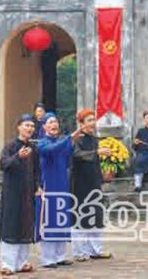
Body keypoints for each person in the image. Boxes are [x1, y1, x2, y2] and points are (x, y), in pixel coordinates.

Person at [37, 112, 83, 268]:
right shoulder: (42, 143)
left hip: (62, 183)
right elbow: (51, 150)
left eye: (55, 121)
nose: (53, 124)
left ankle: (60, 255)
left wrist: (71, 142)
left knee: (61, 218)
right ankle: (47, 258)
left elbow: (68, 157)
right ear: (44, 126)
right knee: (49, 219)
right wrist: (69, 138)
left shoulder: (62, 142)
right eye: (50, 122)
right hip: (48, 184)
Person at [0, 114, 41, 275]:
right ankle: (7, 263)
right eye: (26, 125)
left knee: (25, 226)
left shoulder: (34, 148)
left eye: (32, 126)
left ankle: (22, 262)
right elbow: (3, 164)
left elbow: (36, 170)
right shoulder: (10, 146)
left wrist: (38, 186)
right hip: (12, 192)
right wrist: (17, 156)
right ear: (19, 127)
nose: (29, 129)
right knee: (11, 226)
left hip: (28, 192)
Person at [71, 109, 113, 261]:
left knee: (96, 216)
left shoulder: (94, 139)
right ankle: (79, 252)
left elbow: (95, 160)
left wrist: (104, 173)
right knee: (81, 217)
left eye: (93, 120)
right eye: (89, 120)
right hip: (80, 183)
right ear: (81, 124)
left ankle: (95, 250)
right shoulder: (76, 139)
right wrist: (97, 152)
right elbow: (77, 155)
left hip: (94, 181)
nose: (92, 123)